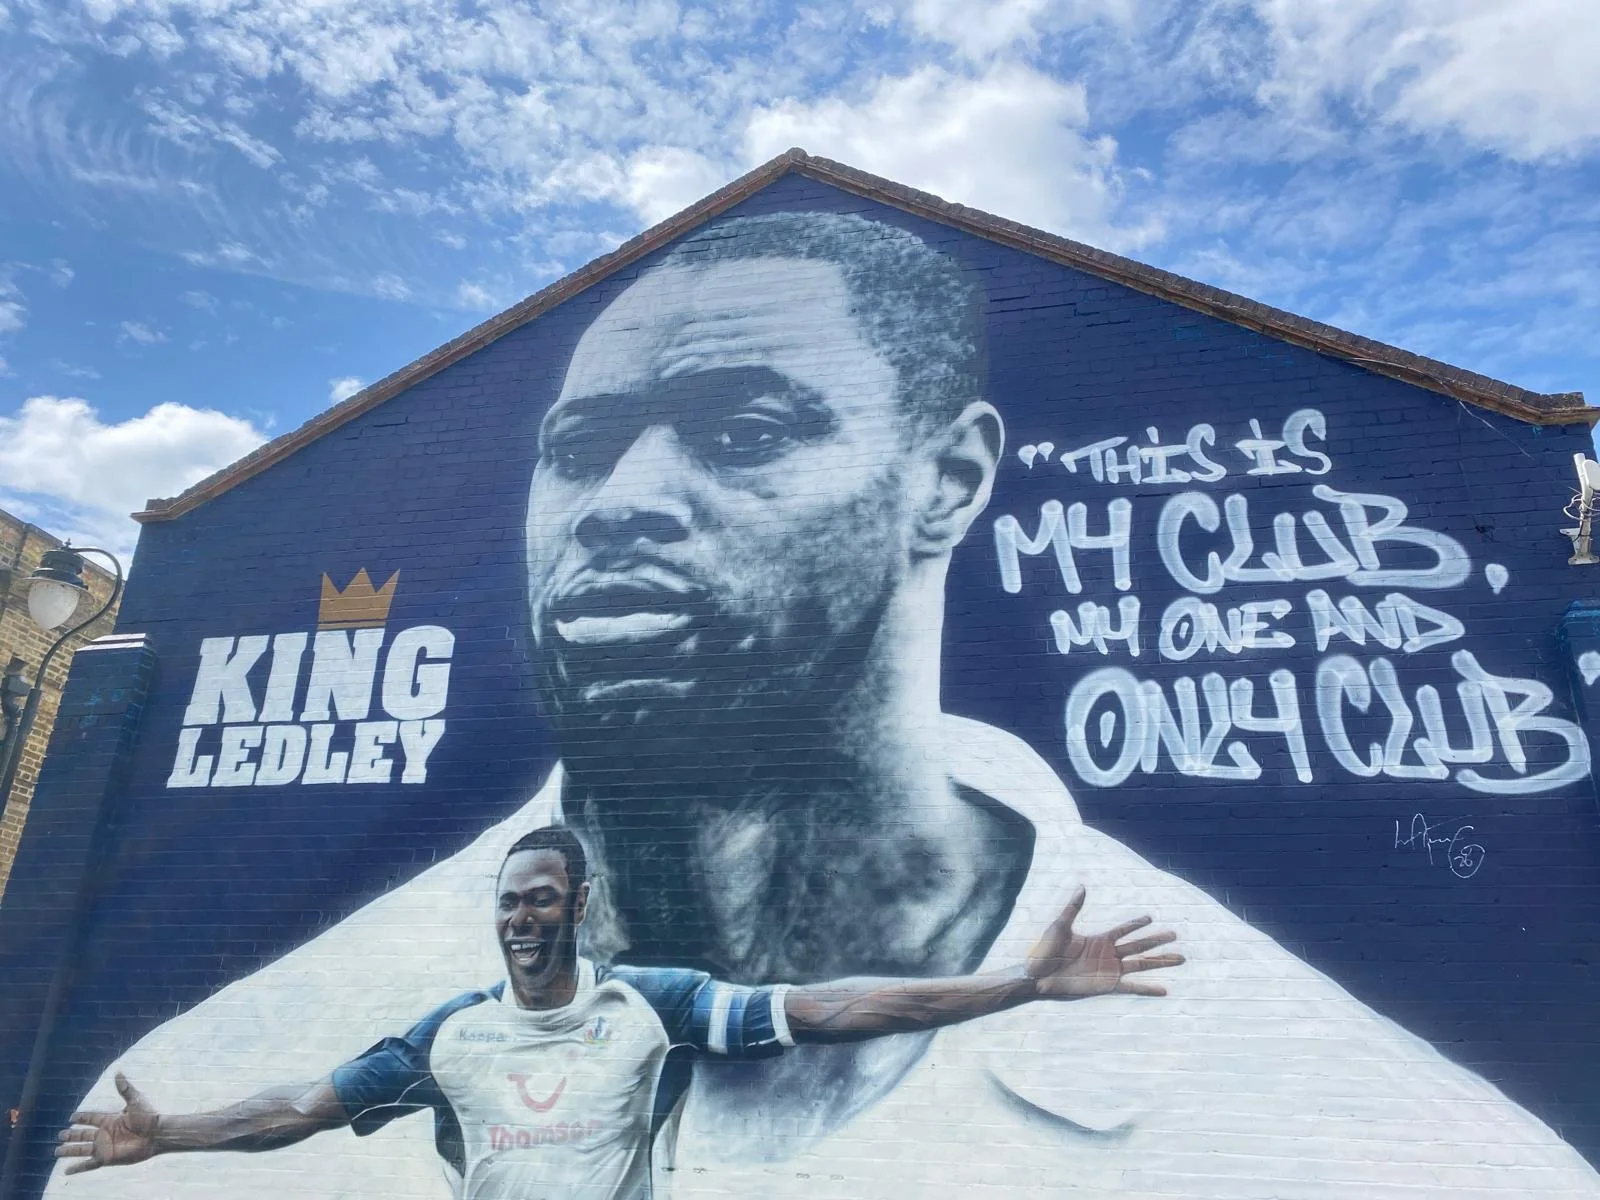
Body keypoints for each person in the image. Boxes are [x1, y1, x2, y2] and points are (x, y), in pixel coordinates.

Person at [48, 209, 1600, 1199]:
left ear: (951, 483)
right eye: (582, 447)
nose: (625, 502)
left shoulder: (1376, 1137)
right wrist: (163, 1137)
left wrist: (1019, 993)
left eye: (744, 428)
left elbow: (813, 1013)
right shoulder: (274, 1051)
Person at [55, 827, 1179, 1200]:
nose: (522, 919)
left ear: (578, 907)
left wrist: (1020, 985)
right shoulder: (449, 1035)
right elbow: (298, 1107)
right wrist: (167, 1136)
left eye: (541, 899)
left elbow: (835, 1008)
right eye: (507, 904)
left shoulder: (657, 1003)